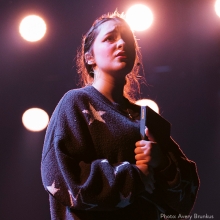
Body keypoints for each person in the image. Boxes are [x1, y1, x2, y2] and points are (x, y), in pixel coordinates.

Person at [41, 12, 199, 220]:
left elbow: (186, 197)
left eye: (128, 39)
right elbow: (61, 177)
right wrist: (134, 178)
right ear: (89, 57)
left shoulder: (147, 118)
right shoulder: (75, 102)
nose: (122, 43)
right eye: (110, 38)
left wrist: (163, 164)